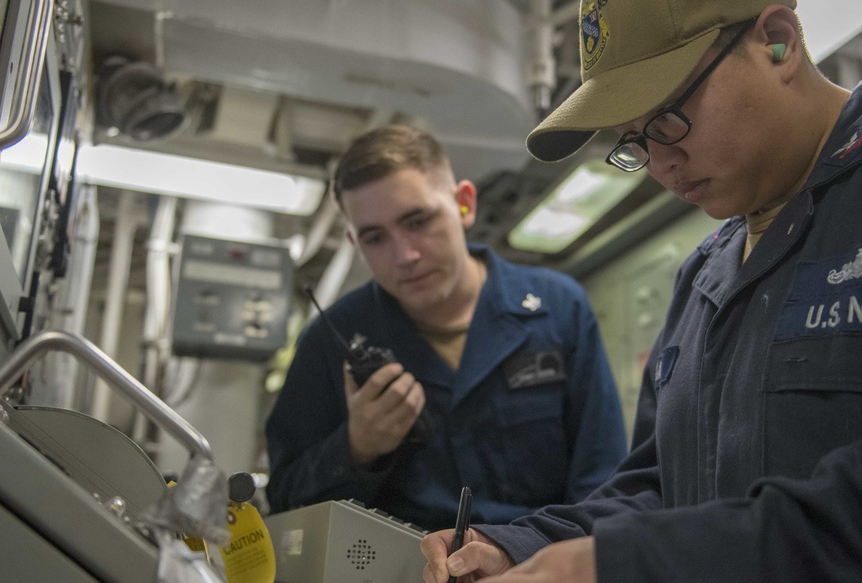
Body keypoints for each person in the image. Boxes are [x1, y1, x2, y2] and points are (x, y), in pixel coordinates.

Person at [421, 1, 862, 583]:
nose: (661, 163)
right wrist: (521, 548)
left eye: (667, 117)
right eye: (634, 140)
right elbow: (661, 488)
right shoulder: (703, 277)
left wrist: (666, 580)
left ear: (776, 42)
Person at [265, 124, 627, 531]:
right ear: (355, 244)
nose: (405, 255)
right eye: (375, 238)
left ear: (464, 205)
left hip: (539, 572)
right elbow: (284, 501)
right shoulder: (331, 343)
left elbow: (604, 479)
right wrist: (355, 448)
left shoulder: (559, 309)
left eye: (418, 221)